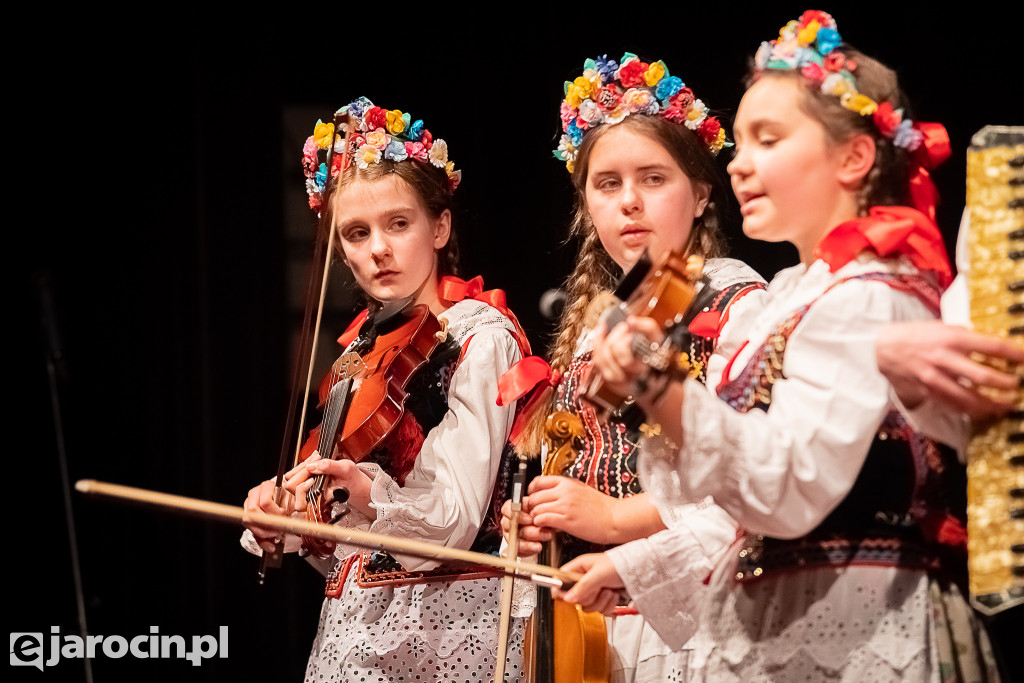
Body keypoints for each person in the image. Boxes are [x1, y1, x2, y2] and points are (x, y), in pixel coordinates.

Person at [568, 11, 1002, 681]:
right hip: (773, 619)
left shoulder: (869, 291)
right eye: (738, 143)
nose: (741, 165)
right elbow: (717, 499)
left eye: (767, 139)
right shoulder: (786, 300)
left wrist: (663, 391)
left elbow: (789, 488)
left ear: (854, 157)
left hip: (855, 622)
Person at [241, 97, 529, 682]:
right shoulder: (356, 355)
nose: (378, 248)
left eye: (399, 224)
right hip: (356, 632)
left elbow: (453, 521)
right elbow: (343, 548)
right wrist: (292, 517)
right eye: (356, 232)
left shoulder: (479, 337)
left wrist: (368, 497)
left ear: (440, 225)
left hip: (452, 629)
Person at [500, 54, 765, 682]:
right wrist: (545, 521)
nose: (629, 204)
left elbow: (749, 479)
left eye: (653, 179)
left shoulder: (733, 300)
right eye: (608, 183)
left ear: (702, 192)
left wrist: (613, 518)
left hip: (700, 615)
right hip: (603, 624)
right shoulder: (599, 322)